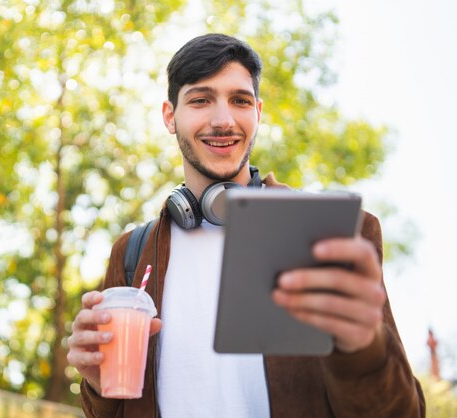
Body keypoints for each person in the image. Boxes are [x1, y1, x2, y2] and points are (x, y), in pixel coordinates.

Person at [67, 33, 425, 417]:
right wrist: (97, 387)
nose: (223, 121)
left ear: (258, 112)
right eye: (201, 100)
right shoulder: (132, 253)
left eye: (239, 100)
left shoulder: (332, 235)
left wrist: (363, 348)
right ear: (170, 116)